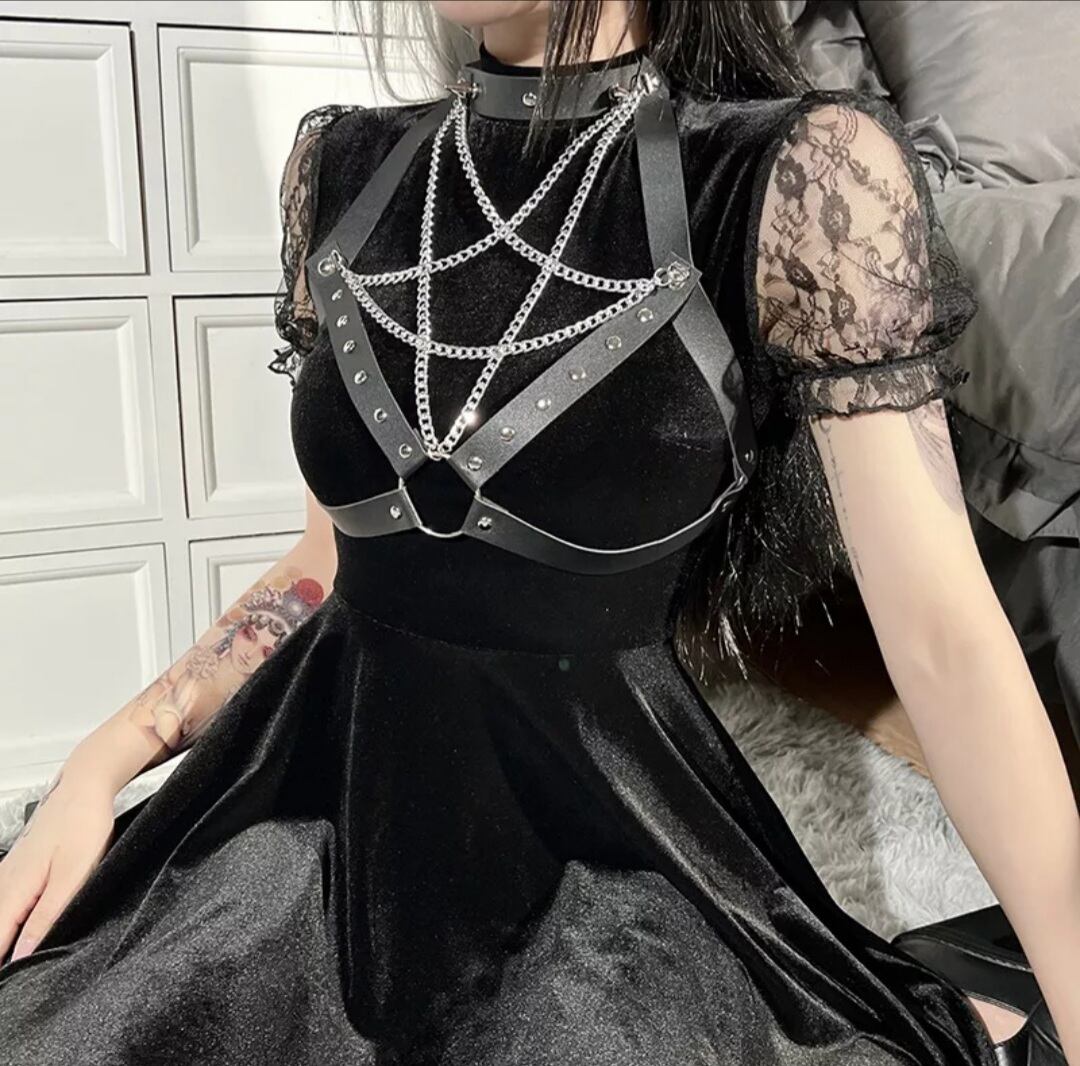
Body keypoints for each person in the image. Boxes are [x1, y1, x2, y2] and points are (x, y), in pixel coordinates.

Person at [0, 1, 1076, 1063]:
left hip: (595, 878)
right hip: (310, 824)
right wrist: (102, 763)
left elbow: (943, 637)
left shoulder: (795, 176)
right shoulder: (343, 169)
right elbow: (329, 561)